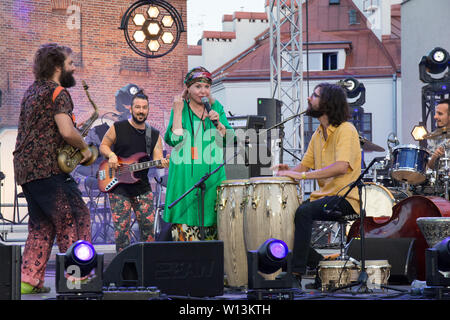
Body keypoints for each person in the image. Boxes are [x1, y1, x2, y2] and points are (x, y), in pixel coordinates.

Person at [13, 43, 93, 294]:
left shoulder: (31, 91)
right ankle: (77, 279)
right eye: (70, 64)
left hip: (26, 169)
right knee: (75, 217)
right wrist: (85, 150)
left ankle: (28, 280)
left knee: (42, 224)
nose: (73, 68)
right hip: (48, 168)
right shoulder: (59, 92)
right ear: (58, 66)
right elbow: (67, 132)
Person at [272, 82, 361, 289]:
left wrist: (301, 175)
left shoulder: (346, 130)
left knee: (303, 212)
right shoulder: (318, 134)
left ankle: (295, 274)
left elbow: (341, 167)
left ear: (327, 103)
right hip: (324, 198)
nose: (309, 99)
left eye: (315, 95)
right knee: (284, 216)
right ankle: (321, 264)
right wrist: (290, 171)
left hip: (346, 199)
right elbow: (304, 167)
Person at [163, 67, 234, 241]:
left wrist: (219, 125)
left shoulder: (216, 107)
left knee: (212, 233)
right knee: (186, 237)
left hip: (212, 178)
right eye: (198, 86)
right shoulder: (181, 108)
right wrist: (178, 110)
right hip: (185, 178)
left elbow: (230, 139)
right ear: (188, 88)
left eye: (206, 87)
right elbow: (174, 139)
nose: (203, 91)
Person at [99, 89, 169, 252]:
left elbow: (157, 161)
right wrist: (111, 155)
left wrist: (163, 163)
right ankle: (123, 269)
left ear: (148, 110)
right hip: (118, 186)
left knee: (148, 231)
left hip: (142, 187)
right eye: (138, 107)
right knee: (122, 232)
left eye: (144, 107)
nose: (141, 111)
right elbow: (103, 145)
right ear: (131, 109)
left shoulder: (154, 134)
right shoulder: (118, 127)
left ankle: (146, 266)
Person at [427, 99, 450, 169]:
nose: (435, 117)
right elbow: (429, 167)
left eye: (440, 114)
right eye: (436, 113)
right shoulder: (434, 137)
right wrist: (434, 156)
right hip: (442, 178)